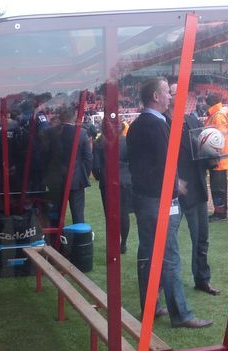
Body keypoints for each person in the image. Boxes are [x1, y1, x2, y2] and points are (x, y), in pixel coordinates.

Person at [127, 77, 211, 329]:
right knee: (170, 256)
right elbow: (165, 161)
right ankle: (181, 314)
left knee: (148, 254)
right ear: (155, 96)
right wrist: (177, 185)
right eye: (166, 92)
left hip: (146, 199)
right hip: (158, 201)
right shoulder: (156, 125)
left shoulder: (138, 125)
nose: (170, 96)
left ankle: (152, 307)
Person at [169, 86, 219, 295]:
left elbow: (201, 154)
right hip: (172, 194)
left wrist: (213, 158)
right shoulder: (161, 123)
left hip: (196, 190)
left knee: (201, 238)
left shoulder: (193, 121)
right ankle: (163, 284)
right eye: (174, 93)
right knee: (166, 242)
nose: (181, 96)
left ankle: (202, 279)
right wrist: (174, 182)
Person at [45, 106, 92, 224]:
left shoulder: (50, 132)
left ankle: (55, 240)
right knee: (78, 215)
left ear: (60, 117)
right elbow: (88, 157)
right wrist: (83, 174)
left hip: (56, 179)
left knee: (55, 214)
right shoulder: (81, 133)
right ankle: (78, 240)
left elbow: (45, 155)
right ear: (74, 117)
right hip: (75, 179)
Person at [92, 119, 133, 253]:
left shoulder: (100, 143)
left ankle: (113, 243)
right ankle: (123, 243)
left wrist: (100, 176)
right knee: (124, 213)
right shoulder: (127, 141)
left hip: (107, 182)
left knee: (110, 214)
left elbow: (96, 167)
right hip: (125, 181)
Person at [204, 93, 228, 221]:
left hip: (219, 159)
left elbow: (218, 139)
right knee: (218, 188)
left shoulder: (217, 117)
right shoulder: (218, 115)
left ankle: (220, 213)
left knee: (218, 188)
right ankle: (220, 211)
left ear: (209, 104)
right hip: (220, 158)